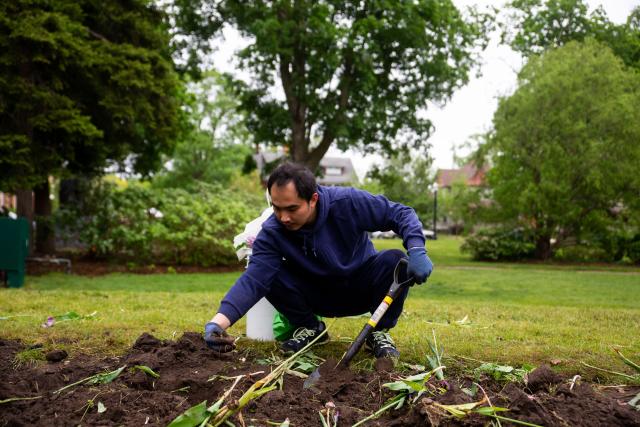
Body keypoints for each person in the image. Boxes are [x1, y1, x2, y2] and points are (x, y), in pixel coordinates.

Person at [204, 162, 433, 358]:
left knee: (395, 260)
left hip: (361, 287)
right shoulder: (273, 232)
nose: (284, 217)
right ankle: (311, 328)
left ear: (313, 199)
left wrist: (416, 249)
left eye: (292, 208)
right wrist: (218, 324)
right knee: (269, 274)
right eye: (277, 208)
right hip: (315, 296)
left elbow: (400, 213)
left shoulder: (346, 202)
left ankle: (378, 332)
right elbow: (253, 280)